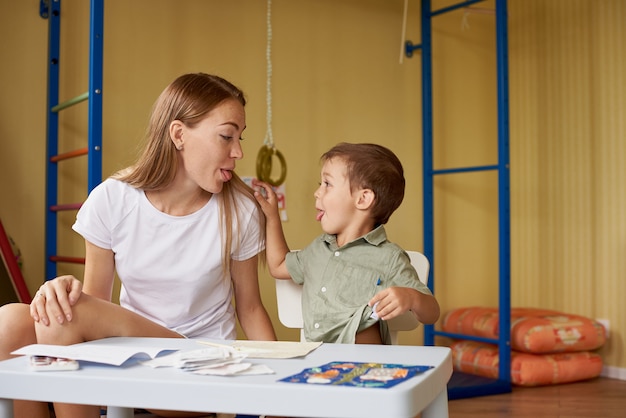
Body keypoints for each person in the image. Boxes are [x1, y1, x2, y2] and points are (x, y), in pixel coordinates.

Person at [0, 72, 277, 418]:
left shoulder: (239, 210)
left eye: (240, 138)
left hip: (201, 364)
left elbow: (250, 309)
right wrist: (58, 292)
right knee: (10, 321)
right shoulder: (113, 199)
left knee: (62, 318)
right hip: (127, 357)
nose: (237, 152)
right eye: (226, 137)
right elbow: (93, 306)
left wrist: (280, 390)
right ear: (178, 134)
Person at [253, 142, 440, 345]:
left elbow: (432, 313)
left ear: (363, 199)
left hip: (365, 365)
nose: (317, 192)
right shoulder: (318, 249)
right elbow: (278, 266)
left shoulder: (389, 257)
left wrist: (411, 297)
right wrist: (272, 217)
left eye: (327, 184)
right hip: (319, 361)